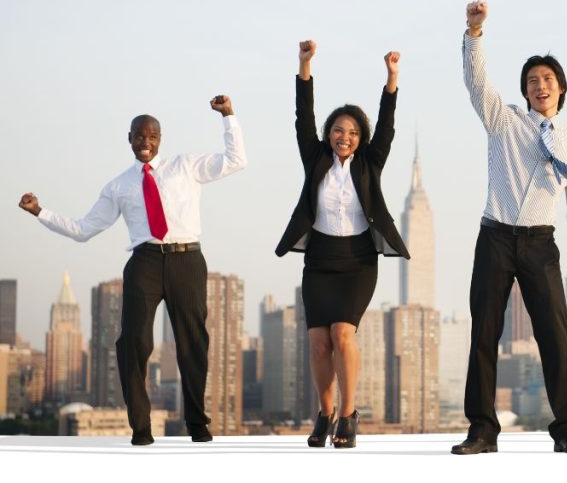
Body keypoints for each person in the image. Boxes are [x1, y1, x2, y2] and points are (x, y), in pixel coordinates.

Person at [18, 96, 246, 445]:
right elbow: (83, 229)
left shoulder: (185, 166)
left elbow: (235, 161)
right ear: (129, 138)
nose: (146, 142)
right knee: (133, 343)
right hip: (145, 262)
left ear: (160, 139)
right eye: (139, 136)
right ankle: (141, 428)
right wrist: (40, 212)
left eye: (152, 136)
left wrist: (228, 116)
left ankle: (198, 424)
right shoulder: (119, 186)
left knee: (193, 342)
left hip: (187, 259)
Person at [451, 0, 567, 456]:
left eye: (548, 80)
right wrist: (475, 34)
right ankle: (482, 430)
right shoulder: (504, 121)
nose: (541, 86)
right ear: (525, 90)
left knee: (556, 335)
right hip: (495, 236)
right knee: (484, 333)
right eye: (533, 81)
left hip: (541, 243)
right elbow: (476, 83)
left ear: (561, 90)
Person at [275, 41, 410, 448]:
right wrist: (304, 66)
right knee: (318, 343)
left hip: (358, 261)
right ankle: (325, 411)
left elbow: (386, 123)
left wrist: (391, 78)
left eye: (352, 132)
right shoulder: (314, 158)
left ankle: (349, 415)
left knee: (343, 334)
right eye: (338, 130)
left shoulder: (371, 161)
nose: (344, 137)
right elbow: (303, 117)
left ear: (360, 138)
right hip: (319, 261)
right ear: (329, 134)